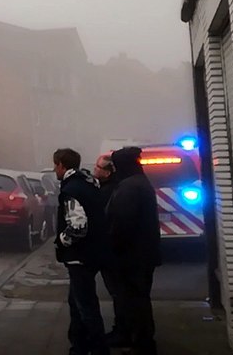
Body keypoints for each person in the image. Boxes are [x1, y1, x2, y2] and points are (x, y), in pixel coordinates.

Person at [53, 147, 110, 355]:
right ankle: (79, 344)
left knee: (86, 306)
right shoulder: (88, 185)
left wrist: (60, 241)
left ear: (61, 165)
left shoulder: (71, 190)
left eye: (55, 165)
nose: (54, 170)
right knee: (77, 302)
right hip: (93, 253)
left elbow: (78, 227)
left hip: (80, 256)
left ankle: (97, 348)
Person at [107, 146, 161, 354]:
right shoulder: (139, 182)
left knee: (135, 301)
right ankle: (137, 338)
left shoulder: (129, 187)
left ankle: (143, 344)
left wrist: (112, 247)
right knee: (138, 299)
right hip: (142, 254)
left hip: (132, 256)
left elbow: (122, 223)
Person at [92, 154, 124, 344]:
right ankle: (122, 329)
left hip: (112, 252)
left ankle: (122, 331)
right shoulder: (110, 188)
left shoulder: (108, 191)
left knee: (118, 293)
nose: (95, 169)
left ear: (107, 172)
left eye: (98, 167)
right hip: (112, 251)